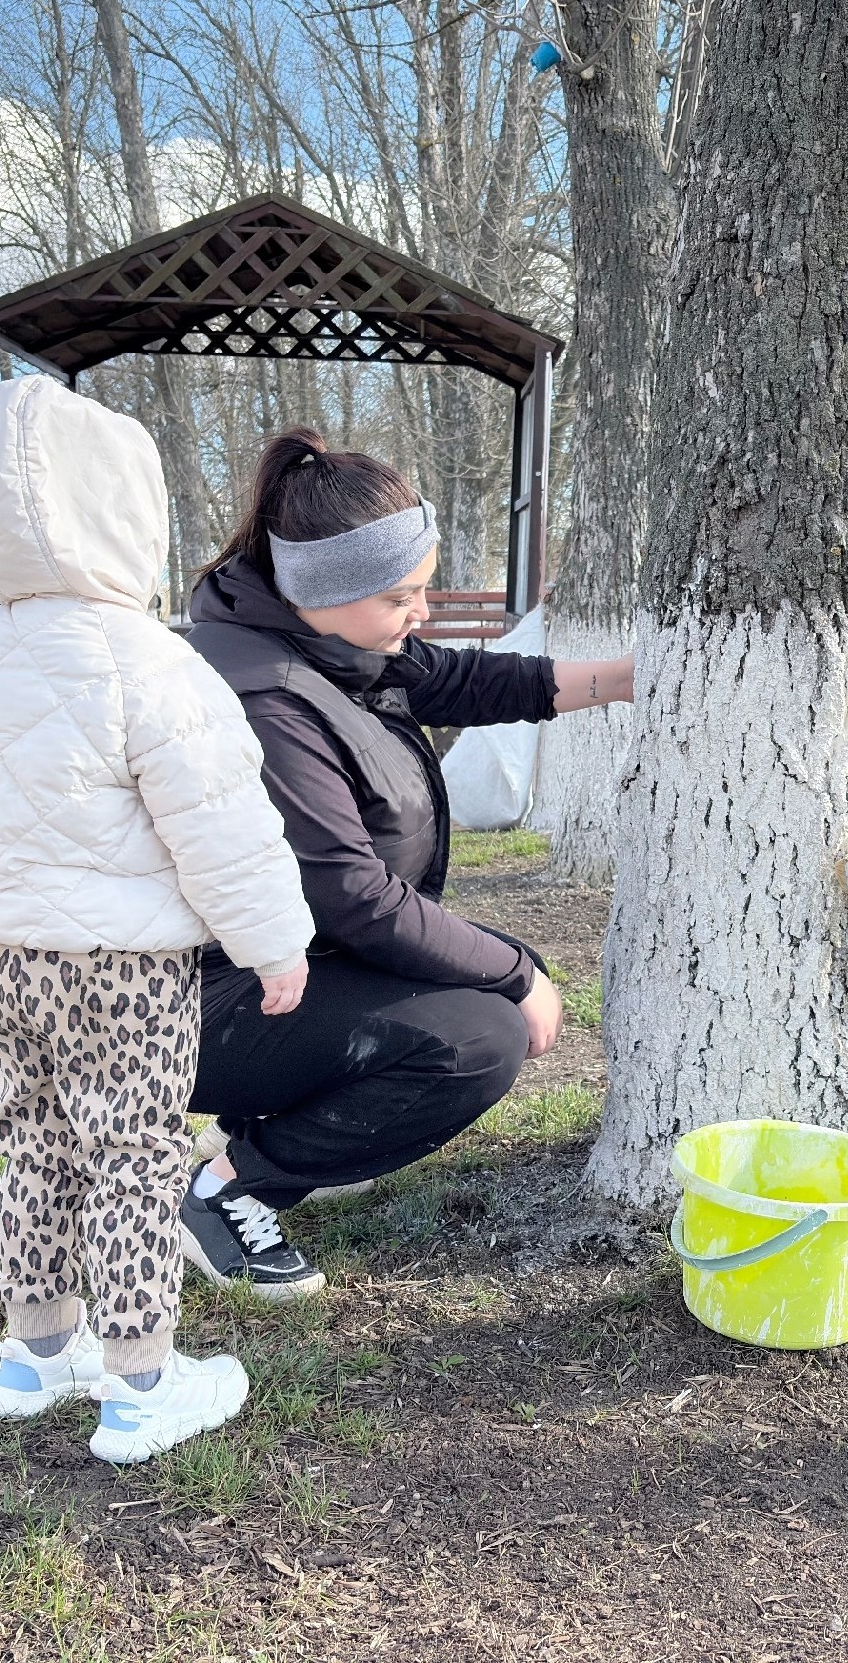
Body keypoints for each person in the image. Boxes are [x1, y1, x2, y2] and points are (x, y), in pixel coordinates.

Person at [0, 375, 317, 1464]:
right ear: (126, 519)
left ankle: (35, 1352)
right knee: (135, 1156)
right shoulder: (152, 664)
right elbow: (222, 821)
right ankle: (142, 1383)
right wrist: (274, 942)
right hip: (131, 970)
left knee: (33, 1143)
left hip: (15, 961)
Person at [176, 429, 634, 1300]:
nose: (419, 613)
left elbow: (464, 681)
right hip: (204, 1001)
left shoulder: (329, 645)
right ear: (321, 590)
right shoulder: (264, 699)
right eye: (401, 597)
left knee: (489, 983)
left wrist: (622, 679)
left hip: (290, 962)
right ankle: (227, 1188)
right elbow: (353, 898)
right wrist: (514, 974)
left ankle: (292, 1120)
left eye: (422, 587)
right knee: (480, 1035)